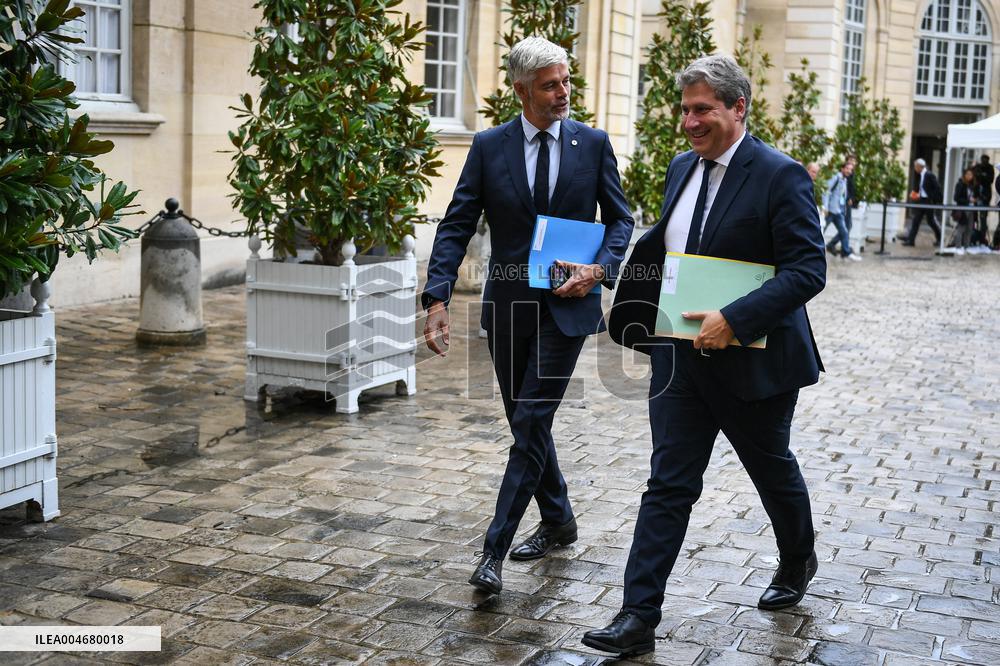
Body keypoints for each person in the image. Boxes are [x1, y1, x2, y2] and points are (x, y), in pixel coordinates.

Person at [585, 55, 825, 657]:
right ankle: (637, 616)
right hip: (679, 359)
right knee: (667, 485)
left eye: (703, 110)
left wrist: (735, 319)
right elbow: (671, 249)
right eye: (685, 110)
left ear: (738, 107)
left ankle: (797, 557)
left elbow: (807, 269)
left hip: (754, 363)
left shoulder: (781, 175)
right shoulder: (679, 169)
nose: (690, 122)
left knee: (771, 471)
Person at [421, 37, 634, 595]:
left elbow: (620, 220)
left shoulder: (593, 144)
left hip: (569, 306)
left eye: (566, 82)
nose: (563, 93)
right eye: (550, 86)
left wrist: (600, 270)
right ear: (521, 91)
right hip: (509, 305)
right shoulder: (490, 147)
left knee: (533, 419)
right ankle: (560, 519)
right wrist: (437, 297)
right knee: (527, 423)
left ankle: (492, 550)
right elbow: (457, 222)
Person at [823, 159, 862, 261]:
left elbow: (842, 196)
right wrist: (825, 207)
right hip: (830, 211)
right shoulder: (835, 178)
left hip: (838, 212)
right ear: (842, 169)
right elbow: (826, 191)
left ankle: (847, 252)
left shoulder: (844, 180)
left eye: (851, 170)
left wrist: (843, 208)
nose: (849, 171)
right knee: (821, 230)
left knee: (844, 231)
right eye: (847, 169)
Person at [902, 158, 942, 246]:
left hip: (928, 201)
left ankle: (940, 238)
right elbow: (920, 187)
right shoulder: (921, 175)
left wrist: (932, 198)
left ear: (920, 166)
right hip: (922, 200)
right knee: (916, 220)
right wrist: (914, 194)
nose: (915, 168)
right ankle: (911, 240)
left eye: (915, 166)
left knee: (931, 221)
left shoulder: (929, 175)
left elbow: (937, 188)